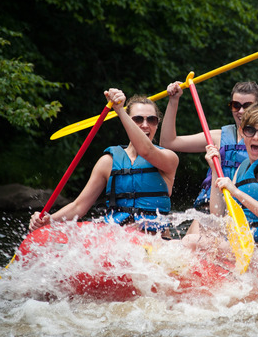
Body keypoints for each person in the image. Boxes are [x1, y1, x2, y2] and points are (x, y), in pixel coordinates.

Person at [160, 35, 258, 213]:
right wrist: (173, 101)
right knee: (190, 241)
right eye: (235, 105)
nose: (241, 111)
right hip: (212, 207)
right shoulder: (218, 136)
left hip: (245, 209)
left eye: (247, 106)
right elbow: (168, 143)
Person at [29, 88, 179, 234]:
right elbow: (79, 206)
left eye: (151, 120)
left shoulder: (168, 159)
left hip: (155, 240)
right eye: (138, 119)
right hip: (118, 240)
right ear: (128, 121)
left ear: (157, 124)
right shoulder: (108, 162)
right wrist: (48, 221)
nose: (145, 125)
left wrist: (120, 110)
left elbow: (146, 151)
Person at [183, 102, 258, 278]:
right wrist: (216, 171)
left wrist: (236, 192)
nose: (256, 137)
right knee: (202, 233)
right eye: (250, 130)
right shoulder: (243, 168)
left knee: (191, 242)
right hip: (251, 256)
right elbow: (217, 214)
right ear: (243, 133)